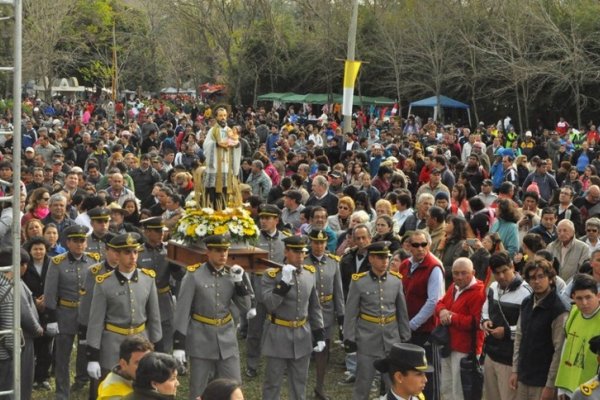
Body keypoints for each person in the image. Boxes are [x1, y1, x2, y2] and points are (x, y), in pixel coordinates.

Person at [173, 235, 251, 399]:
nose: (223, 255)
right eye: (218, 251)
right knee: (199, 389)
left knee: (233, 385)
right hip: (201, 338)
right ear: (208, 252)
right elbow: (182, 310)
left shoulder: (232, 274)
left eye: (225, 250)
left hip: (227, 339)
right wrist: (179, 344)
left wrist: (239, 283)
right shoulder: (194, 275)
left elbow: (246, 307)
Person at [86, 233, 162, 381]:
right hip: (114, 344)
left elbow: (154, 316)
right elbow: (96, 321)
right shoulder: (104, 283)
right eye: (127, 252)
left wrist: (157, 347)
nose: (133, 257)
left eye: (135, 252)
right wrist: (93, 357)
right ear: (117, 255)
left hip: (141, 342)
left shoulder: (147, 278)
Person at [343, 241, 411, 400]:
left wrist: (405, 334)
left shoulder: (395, 280)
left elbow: (402, 311)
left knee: (395, 383)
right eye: (380, 258)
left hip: (391, 339)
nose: (385, 261)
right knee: (363, 383)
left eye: (387, 258)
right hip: (367, 339)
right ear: (371, 259)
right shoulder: (359, 281)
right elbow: (351, 312)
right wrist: (349, 337)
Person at [260, 235, 325, 400]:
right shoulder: (271, 275)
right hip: (278, 333)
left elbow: (314, 306)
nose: (300, 256)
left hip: (302, 334)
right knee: (273, 382)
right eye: (296, 252)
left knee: (299, 382)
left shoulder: (310, 274)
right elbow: (269, 304)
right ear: (286, 252)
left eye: (302, 252)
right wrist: (283, 283)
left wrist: (319, 334)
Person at [43, 224, 101, 399]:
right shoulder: (57, 262)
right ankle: (62, 392)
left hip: (87, 315)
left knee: (87, 351)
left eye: (82, 241)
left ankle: (83, 381)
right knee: (62, 356)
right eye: (75, 241)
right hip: (65, 313)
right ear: (67, 242)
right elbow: (50, 292)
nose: (79, 244)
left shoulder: (93, 260)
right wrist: (51, 317)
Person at [509, 259, 570, 400]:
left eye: (541, 276)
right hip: (524, 377)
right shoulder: (527, 302)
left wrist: (550, 385)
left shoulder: (559, 308)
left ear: (551, 279)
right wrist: (515, 370)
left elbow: (559, 350)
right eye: (532, 278)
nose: (536, 281)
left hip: (543, 381)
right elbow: (519, 337)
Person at [399, 230, 445, 400]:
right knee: (410, 373)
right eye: (416, 245)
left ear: (429, 245)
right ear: (409, 246)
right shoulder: (404, 265)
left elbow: (434, 302)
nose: (420, 248)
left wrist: (412, 324)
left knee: (428, 376)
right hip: (408, 327)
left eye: (423, 244)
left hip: (426, 330)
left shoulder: (434, 267)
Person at [481, 251, 532, 400]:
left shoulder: (527, 292)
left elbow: (529, 327)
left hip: (510, 360)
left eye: (505, 271)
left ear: (512, 267)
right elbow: (485, 310)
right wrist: (485, 321)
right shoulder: (493, 287)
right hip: (490, 355)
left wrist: (507, 332)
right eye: (497, 273)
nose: (501, 276)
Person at [245, 204, 288, 378]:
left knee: (280, 328)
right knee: (254, 329)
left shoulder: (285, 239)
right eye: (261, 217)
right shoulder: (252, 238)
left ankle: (280, 362)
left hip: (278, 291)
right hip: (258, 288)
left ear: (276, 220)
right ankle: (252, 363)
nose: (263, 221)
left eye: (267, 218)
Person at [435, 257, 486, 400]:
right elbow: (440, 303)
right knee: (446, 388)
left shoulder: (479, 292)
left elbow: (477, 322)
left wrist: (452, 318)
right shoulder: (454, 286)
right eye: (456, 273)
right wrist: (442, 311)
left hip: (465, 350)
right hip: (448, 346)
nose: (459, 277)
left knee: (460, 393)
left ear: (473, 272)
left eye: (464, 273)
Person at [304, 229, 344, 400]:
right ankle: (300, 384)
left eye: (322, 242)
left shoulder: (334, 262)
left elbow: (338, 291)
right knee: (304, 350)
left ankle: (320, 387)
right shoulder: (303, 261)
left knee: (323, 352)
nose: (319, 246)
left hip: (326, 312)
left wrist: (341, 315)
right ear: (310, 242)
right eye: (315, 242)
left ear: (326, 243)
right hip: (305, 312)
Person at [137, 217, 184, 353]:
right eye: (157, 231)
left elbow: (180, 277)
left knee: (166, 333)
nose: (161, 234)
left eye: (162, 231)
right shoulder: (137, 253)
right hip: (143, 299)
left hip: (163, 297)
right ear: (146, 232)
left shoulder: (169, 250)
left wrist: (176, 266)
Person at [555, 274, 600, 398]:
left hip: (593, 391)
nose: (584, 303)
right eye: (579, 298)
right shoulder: (573, 313)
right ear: (573, 297)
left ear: (598, 296)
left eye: (588, 297)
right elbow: (566, 349)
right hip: (569, 388)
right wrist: (562, 389)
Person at [202, 107, 242, 210]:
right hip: (215, 166)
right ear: (216, 117)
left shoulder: (230, 130)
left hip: (226, 166)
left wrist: (236, 145)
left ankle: (223, 210)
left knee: (225, 192)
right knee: (213, 193)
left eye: (224, 115)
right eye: (220, 116)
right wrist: (216, 144)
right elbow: (206, 145)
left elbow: (236, 144)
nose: (223, 118)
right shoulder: (213, 130)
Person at [97, 336, 154, 400]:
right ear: (123, 364)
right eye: (138, 363)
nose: (146, 367)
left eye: (148, 360)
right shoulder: (114, 395)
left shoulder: (134, 377)